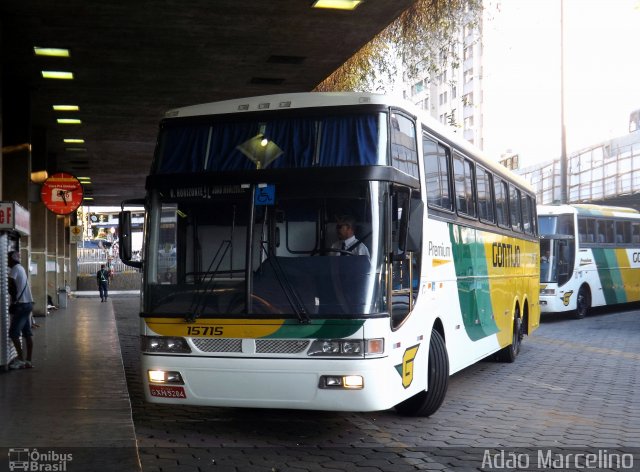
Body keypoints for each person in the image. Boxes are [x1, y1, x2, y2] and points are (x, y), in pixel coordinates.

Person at [8, 250, 35, 369]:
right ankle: (28, 361)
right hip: (28, 304)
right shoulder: (21, 268)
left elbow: (12, 286)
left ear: (12, 259)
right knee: (27, 333)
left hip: (21, 305)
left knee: (13, 333)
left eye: (8, 258)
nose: (7, 261)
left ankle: (20, 359)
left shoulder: (14, 269)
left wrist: (13, 301)